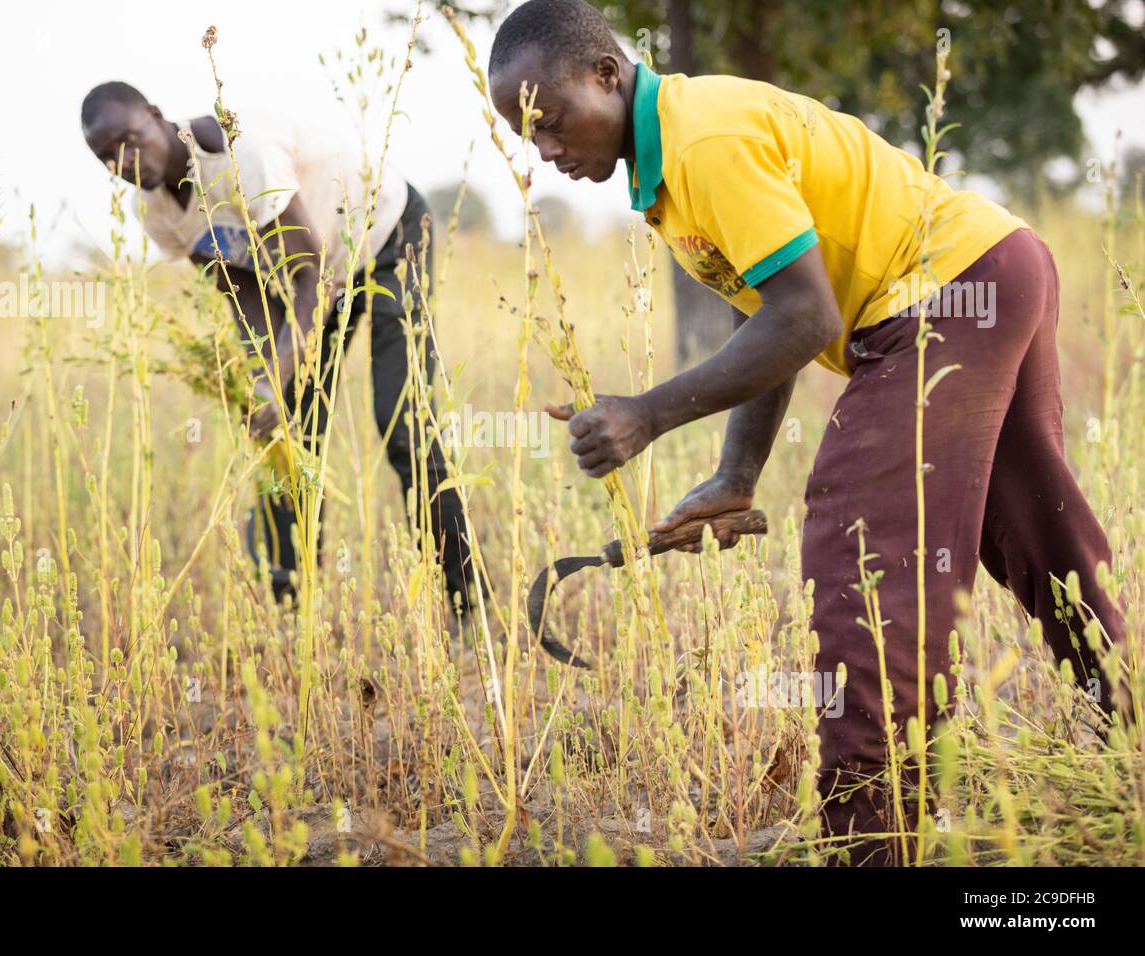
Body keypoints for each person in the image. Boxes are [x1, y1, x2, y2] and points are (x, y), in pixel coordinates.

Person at [487, 0, 1126, 864]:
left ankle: (871, 842)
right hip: (995, 267)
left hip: (943, 293)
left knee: (859, 545)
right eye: (530, 137)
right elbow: (772, 316)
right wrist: (735, 476)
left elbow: (803, 315)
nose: (548, 152)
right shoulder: (670, 166)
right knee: (1040, 542)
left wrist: (645, 415)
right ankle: (1132, 743)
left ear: (605, 74)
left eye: (552, 122)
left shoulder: (703, 142)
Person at [81, 81, 479, 621]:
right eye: (107, 157)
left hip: (384, 241)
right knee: (287, 440)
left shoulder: (244, 155)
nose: (123, 162)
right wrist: (260, 373)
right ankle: (291, 610)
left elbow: (311, 271)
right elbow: (238, 285)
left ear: (155, 115)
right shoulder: (155, 210)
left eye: (130, 140)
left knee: (402, 425)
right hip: (306, 288)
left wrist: (277, 374)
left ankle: (468, 604)